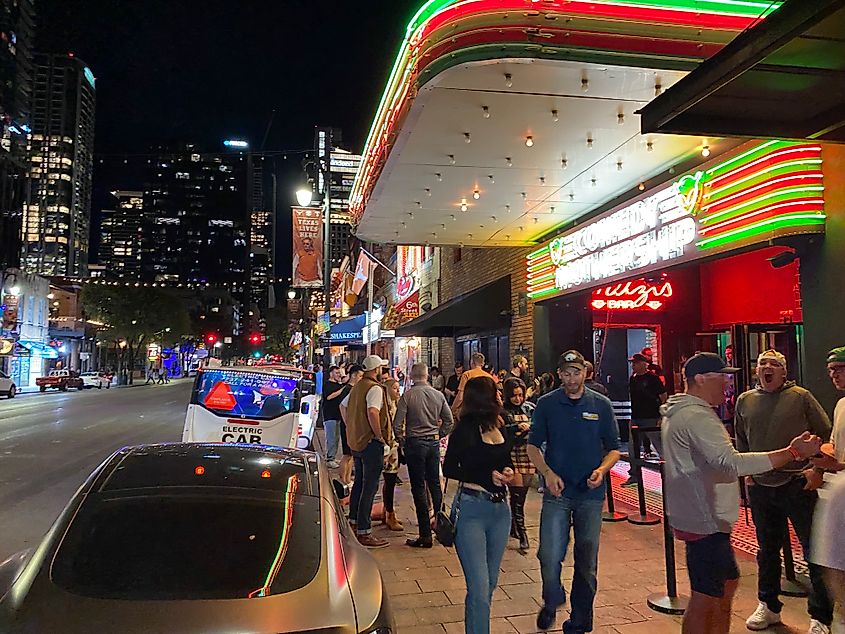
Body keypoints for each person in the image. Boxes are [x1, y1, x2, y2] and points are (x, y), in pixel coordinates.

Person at [661, 352, 824, 634]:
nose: (726, 382)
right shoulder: (695, 415)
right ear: (700, 379)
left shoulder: (687, 411)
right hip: (704, 519)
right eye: (721, 376)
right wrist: (792, 452)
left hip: (705, 517)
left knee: (726, 583)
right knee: (706, 595)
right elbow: (733, 461)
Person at [734, 349, 833, 633]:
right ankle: (768, 605)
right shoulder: (745, 400)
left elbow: (824, 435)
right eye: (762, 363)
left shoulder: (801, 397)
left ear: (784, 371)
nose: (767, 367)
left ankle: (820, 615)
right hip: (762, 487)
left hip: (797, 484)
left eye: (774, 364)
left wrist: (817, 469)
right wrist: (747, 472)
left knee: (814, 551)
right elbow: (742, 440)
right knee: (767, 550)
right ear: (757, 371)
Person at [527, 350, 621, 634]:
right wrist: (547, 473)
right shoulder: (546, 404)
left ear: (585, 373)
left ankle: (581, 619)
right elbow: (533, 446)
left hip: (590, 496)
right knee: (548, 553)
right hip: (557, 493)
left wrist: (602, 470)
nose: (571, 378)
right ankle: (552, 596)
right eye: (566, 373)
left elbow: (614, 449)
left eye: (576, 372)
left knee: (586, 560)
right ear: (559, 375)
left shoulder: (601, 405)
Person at [443, 375, 514, 634]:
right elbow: (449, 467)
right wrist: (484, 477)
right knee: (479, 587)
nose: (499, 395)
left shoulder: (500, 425)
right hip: (472, 509)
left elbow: (506, 460)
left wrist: (507, 471)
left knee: (491, 582)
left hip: (500, 511)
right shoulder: (465, 429)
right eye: (494, 391)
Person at [393, 363, 454, 548]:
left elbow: (397, 424)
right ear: (427, 376)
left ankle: (425, 534)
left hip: (415, 443)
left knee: (418, 487)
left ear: (411, 376)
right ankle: (442, 527)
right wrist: (439, 434)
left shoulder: (408, 396)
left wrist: (402, 441)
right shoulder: (438, 395)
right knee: (435, 483)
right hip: (433, 443)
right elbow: (449, 421)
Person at [341, 355, 391, 549]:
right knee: (370, 486)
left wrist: (352, 427)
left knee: (360, 483)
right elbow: (373, 412)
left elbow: (342, 406)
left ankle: (353, 522)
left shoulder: (357, 387)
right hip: (370, 443)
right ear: (376, 369)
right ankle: (364, 531)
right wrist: (379, 436)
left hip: (356, 442)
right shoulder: (374, 388)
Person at [812, 347, 845, 634]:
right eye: (831, 370)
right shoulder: (841, 405)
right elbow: (834, 443)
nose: (834, 375)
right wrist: (817, 454)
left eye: (840, 368)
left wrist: (837, 464)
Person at [623, 352, 668, 487]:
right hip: (636, 417)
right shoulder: (633, 379)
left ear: (644, 364)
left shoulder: (653, 378)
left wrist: (662, 416)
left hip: (651, 417)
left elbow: (663, 396)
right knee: (633, 448)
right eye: (632, 363)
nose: (633, 366)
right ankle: (634, 475)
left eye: (635, 363)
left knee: (659, 446)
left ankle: (669, 471)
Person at [502, 377, 534, 554]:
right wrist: (516, 428)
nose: (518, 398)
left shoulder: (529, 408)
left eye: (520, 395)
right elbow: (503, 432)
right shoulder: (502, 411)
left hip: (527, 453)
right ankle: (522, 533)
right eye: (514, 395)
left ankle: (514, 526)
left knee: (521, 494)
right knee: (517, 494)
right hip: (512, 453)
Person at [381, 378, 404, 532]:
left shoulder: (398, 405)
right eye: (395, 388)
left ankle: (387, 511)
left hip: (395, 447)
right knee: (389, 481)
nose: (398, 391)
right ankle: (390, 514)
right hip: (388, 448)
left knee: (390, 480)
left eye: (398, 388)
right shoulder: (385, 407)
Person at [339, 364, 364, 485]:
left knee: (351, 454)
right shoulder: (348, 389)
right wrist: (347, 423)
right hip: (348, 426)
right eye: (360, 375)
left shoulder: (355, 389)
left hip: (351, 425)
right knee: (347, 455)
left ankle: (348, 479)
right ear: (354, 375)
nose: (361, 378)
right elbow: (342, 406)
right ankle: (343, 480)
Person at [323, 365, 350, 469]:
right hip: (330, 415)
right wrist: (342, 389)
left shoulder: (339, 385)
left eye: (339, 373)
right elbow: (329, 397)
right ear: (331, 374)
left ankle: (333, 457)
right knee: (331, 438)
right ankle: (329, 458)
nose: (338, 375)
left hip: (339, 415)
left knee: (336, 438)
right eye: (336, 373)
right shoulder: (328, 385)